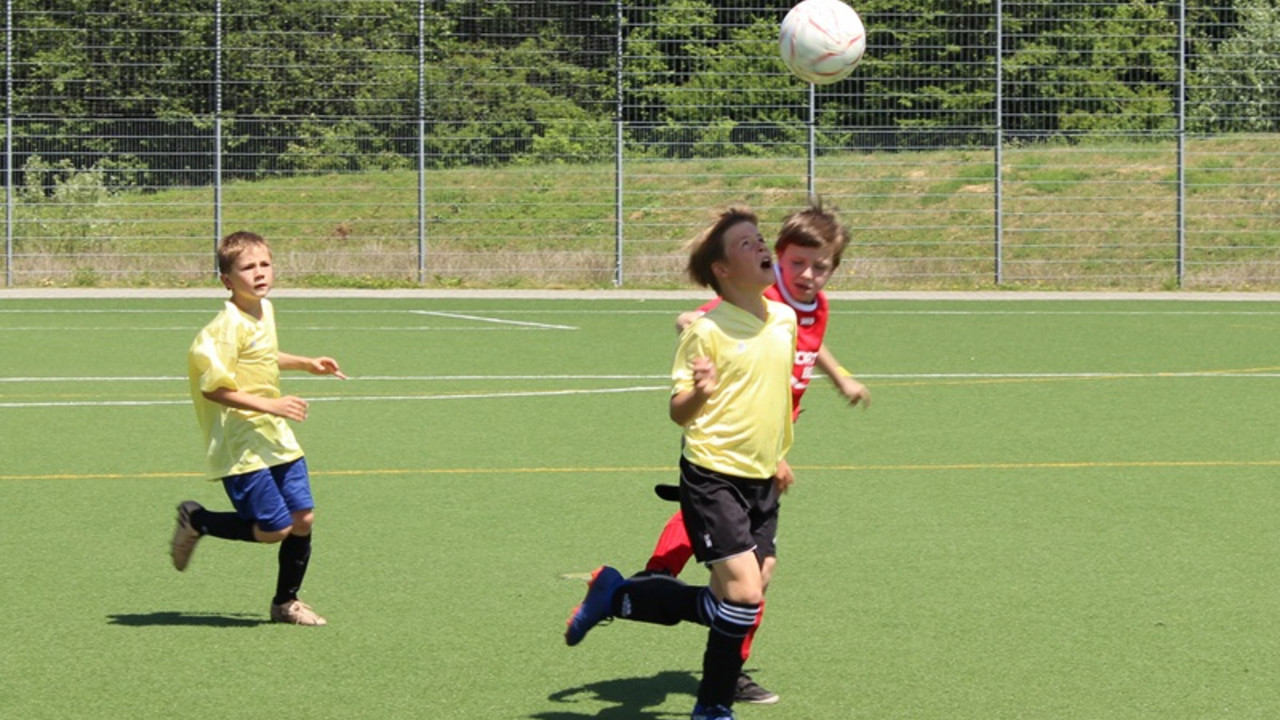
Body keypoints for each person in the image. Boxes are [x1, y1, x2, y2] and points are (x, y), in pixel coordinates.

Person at [564, 206, 796, 720]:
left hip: (763, 478)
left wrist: (779, 454)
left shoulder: (784, 319)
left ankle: (619, 595)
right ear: (721, 270)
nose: (762, 248)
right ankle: (712, 706)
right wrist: (702, 391)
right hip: (713, 474)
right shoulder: (706, 332)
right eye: (745, 244)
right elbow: (678, 410)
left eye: (761, 239)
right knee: (742, 591)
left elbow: (773, 395)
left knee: (740, 599)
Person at [642, 198, 871, 704]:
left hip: (771, 436)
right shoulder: (762, 299)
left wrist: (840, 379)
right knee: (736, 567)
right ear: (779, 256)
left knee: (754, 580)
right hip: (733, 440)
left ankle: (709, 653)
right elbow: (712, 310)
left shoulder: (801, 311)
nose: (808, 275)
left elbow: (807, 342)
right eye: (796, 263)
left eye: (821, 266)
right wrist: (693, 322)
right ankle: (655, 585)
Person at [170, 230, 347, 626]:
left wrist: (306, 363)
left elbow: (263, 356)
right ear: (227, 281)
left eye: (265, 264)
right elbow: (214, 388)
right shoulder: (223, 328)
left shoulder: (265, 310)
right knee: (274, 529)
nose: (260, 272)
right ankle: (198, 520)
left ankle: (286, 603)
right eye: (248, 267)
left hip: (273, 433)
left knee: (302, 519)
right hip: (240, 441)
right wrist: (270, 403)